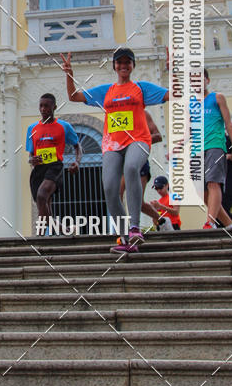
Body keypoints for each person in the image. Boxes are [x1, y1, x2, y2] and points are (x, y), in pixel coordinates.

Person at [61, 48, 169, 253]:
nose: (124, 65)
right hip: (112, 143)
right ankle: (126, 238)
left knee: (130, 169)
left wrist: (172, 71)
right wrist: (68, 73)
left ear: (133, 65)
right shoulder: (107, 91)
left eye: (128, 62)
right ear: (114, 66)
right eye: (120, 62)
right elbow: (74, 96)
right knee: (110, 189)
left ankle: (136, 227)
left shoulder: (141, 88)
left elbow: (174, 94)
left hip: (138, 139)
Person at [26, 94, 82, 226]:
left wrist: (77, 162)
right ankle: (56, 232)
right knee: (43, 205)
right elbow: (30, 154)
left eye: (46, 106)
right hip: (39, 169)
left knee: (41, 196)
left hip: (54, 167)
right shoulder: (32, 128)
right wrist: (32, 160)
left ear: (54, 107)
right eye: (41, 105)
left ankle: (55, 230)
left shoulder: (64, 126)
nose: (43, 109)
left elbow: (77, 146)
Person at [199, 70, 232, 229]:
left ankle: (210, 222)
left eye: (200, 78)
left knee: (213, 183)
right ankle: (229, 224)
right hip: (197, 148)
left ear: (207, 80)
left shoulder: (217, 97)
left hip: (215, 145)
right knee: (201, 191)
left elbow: (228, 123)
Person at [119, 111, 172, 232]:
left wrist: (137, 141)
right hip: (121, 162)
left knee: (138, 202)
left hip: (139, 162)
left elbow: (158, 136)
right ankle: (123, 228)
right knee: (116, 195)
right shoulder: (116, 114)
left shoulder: (143, 114)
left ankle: (161, 220)